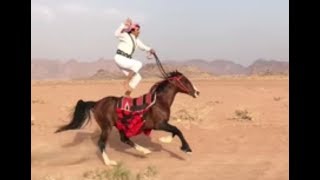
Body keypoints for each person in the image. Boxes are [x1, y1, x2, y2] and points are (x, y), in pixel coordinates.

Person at [114, 18, 155, 97]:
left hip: (126, 60)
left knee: (138, 77)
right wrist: (124, 25)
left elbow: (142, 46)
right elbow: (116, 34)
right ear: (132, 30)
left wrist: (150, 49)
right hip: (120, 58)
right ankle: (126, 82)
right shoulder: (125, 35)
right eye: (137, 30)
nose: (139, 32)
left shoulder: (136, 40)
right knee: (138, 64)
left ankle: (127, 94)